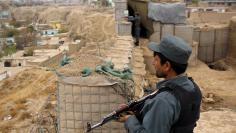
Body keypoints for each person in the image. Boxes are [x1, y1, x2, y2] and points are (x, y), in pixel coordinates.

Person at [118, 35, 202, 133]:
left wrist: (130, 120)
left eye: (156, 59)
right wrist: (136, 109)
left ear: (167, 66)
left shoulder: (163, 101)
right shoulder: (193, 88)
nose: (153, 63)